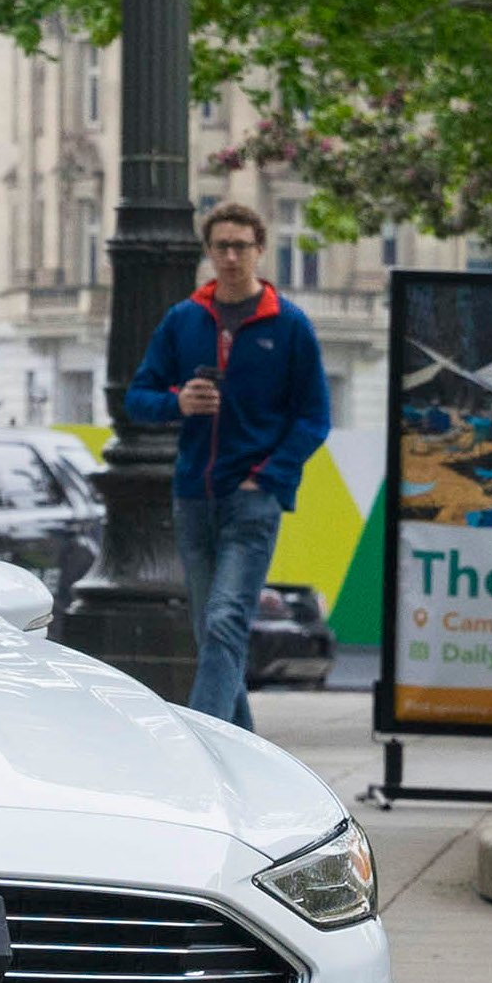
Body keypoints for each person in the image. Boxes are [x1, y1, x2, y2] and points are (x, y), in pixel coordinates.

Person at [125, 201, 333, 730]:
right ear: (209, 253)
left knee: (224, 621)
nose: (232, 256)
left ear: (260, 250)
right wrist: (178, 401)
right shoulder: (185, 319)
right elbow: (137, 397)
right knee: (213, 631)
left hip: (252, 498)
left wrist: (266, 475)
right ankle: (245, 751)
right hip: (194, 495)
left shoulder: (288, 326)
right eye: (222, 246)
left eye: (242, 246)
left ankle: (202, 743)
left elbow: (314, 418)